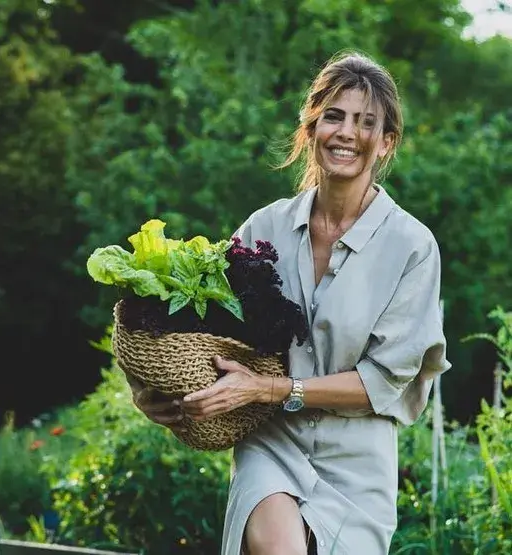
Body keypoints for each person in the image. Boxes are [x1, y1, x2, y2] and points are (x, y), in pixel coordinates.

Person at [128, 51, 451, 555]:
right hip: (271, 444)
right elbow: (200, 332)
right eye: (334, 116)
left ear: (386, 143)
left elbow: (382, 383)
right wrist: (154, 392)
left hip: (358, 463)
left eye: (367, 123)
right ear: (311, 127)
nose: (347, 132)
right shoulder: (264, 229)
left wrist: (268, 388)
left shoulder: (411, 247)